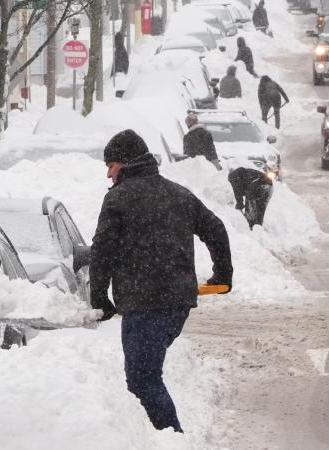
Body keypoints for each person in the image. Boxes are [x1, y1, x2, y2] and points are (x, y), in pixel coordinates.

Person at [89, 129, 233, 433]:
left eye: (110, 165)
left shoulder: (118, 200)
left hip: (144, 304)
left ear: (125, 164)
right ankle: (152, 436)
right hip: (177, 303)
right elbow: (216, 230)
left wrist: (99, 298)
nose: (108, 174)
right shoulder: (178, 194)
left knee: (143, 378)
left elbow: (102, 251)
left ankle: (172, 437)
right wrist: (223, 274)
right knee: (146, 375)